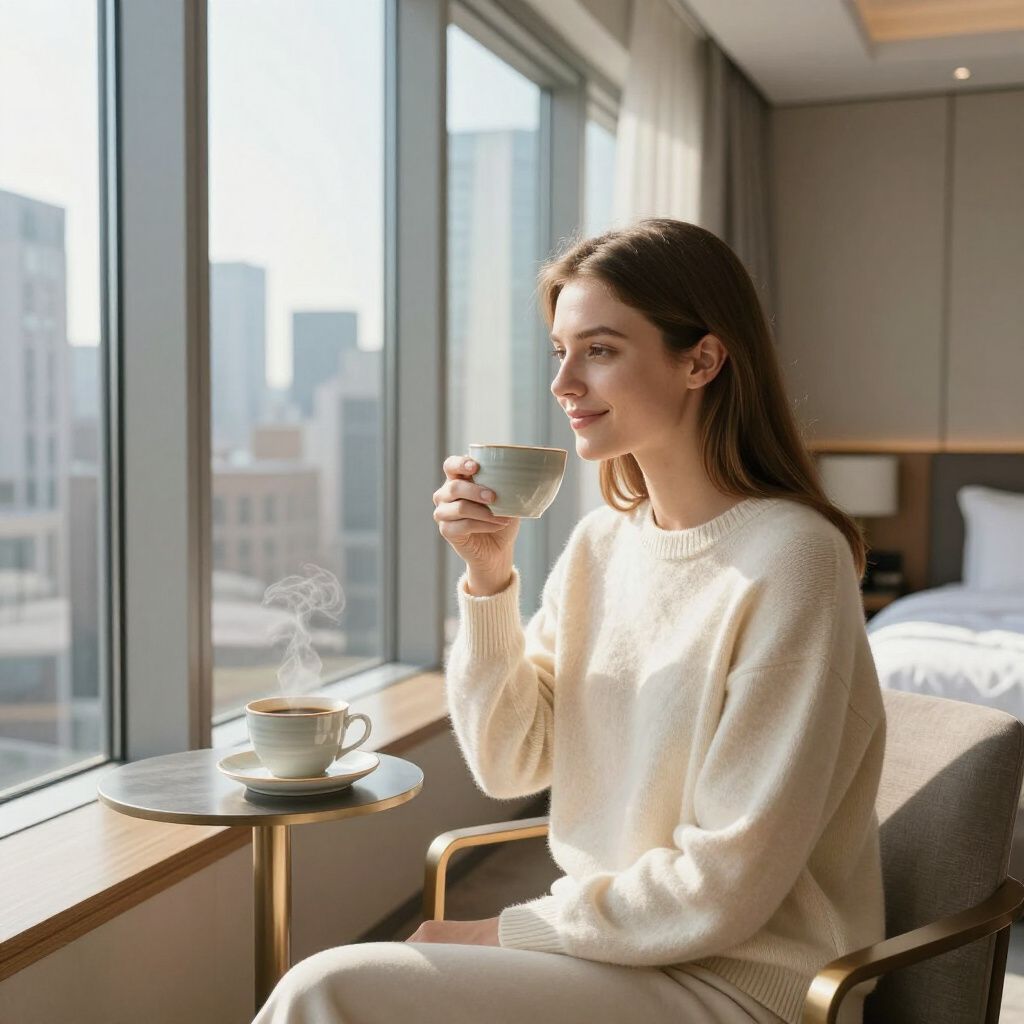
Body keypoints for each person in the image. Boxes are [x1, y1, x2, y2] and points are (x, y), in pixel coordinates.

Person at [252, 219, 885, 1024]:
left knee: (328, 989)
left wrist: (502, 931)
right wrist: (488, 578)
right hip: (610, 954)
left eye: (600, 350)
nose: (563, 382)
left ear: (702, 360)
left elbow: (725, 885)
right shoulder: (601, 545)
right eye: (560, 351)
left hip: (738, 984)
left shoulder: (795, 560)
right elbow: (509, 762)